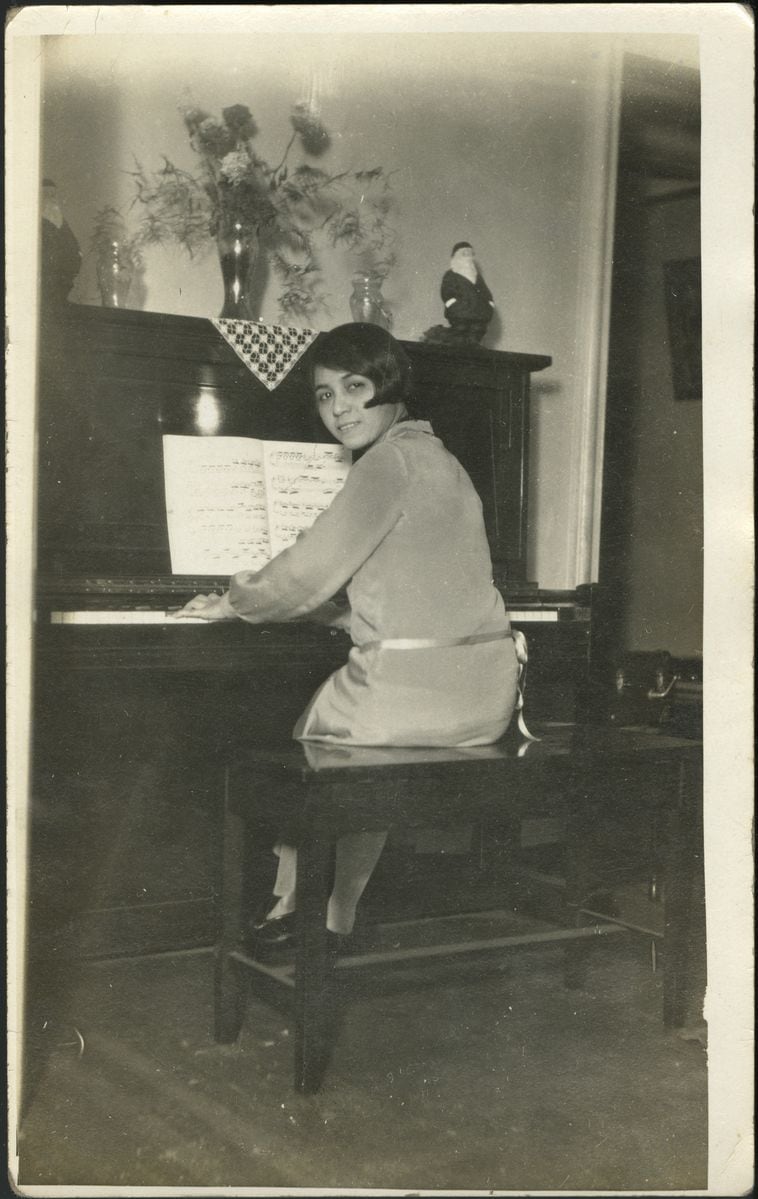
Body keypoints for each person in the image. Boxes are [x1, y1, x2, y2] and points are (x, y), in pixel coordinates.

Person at [178, 322, 520, 954]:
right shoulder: (443, 460)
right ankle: (330, 909)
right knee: (359, 748)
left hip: (417, 699)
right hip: (486, 695)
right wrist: (330, 618)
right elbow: (417, 597)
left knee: (317, 730)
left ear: (389, 386)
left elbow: (303, 572)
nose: (338, 409)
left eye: (355, 387)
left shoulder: (385, 464)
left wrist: (236, 601)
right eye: (324, 395)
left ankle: (300, 910)